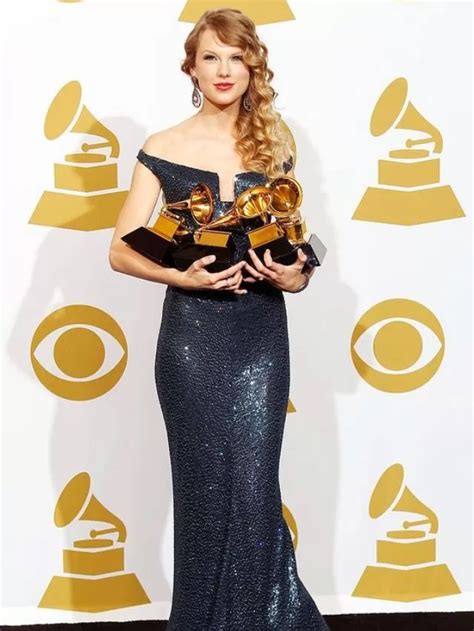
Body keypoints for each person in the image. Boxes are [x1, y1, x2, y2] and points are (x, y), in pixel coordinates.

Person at [109, 8, 329, 630]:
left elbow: (297, 250)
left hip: (261, 335)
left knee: (255, 489)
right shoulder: (163, 147)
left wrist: (295, 276)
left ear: (253, 67)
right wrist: (181, 277)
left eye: (236, 57)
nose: (224, 70)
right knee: (203, 493)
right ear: (192, 68)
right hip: (190, 339)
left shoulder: (274, 144)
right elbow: (120, 249)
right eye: (211, 57)